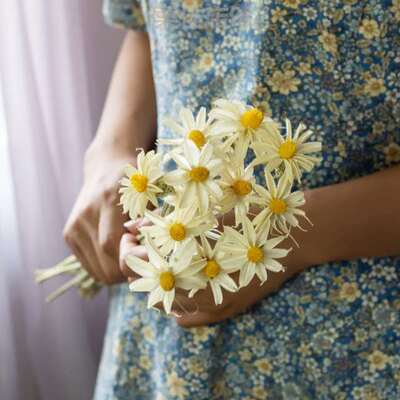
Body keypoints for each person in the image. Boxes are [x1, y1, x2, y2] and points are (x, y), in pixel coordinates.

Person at [63, 0, 400, 398]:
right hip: (169, 320)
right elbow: (144, 25)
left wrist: (285, 235)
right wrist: (110, 153)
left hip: (357, 342)